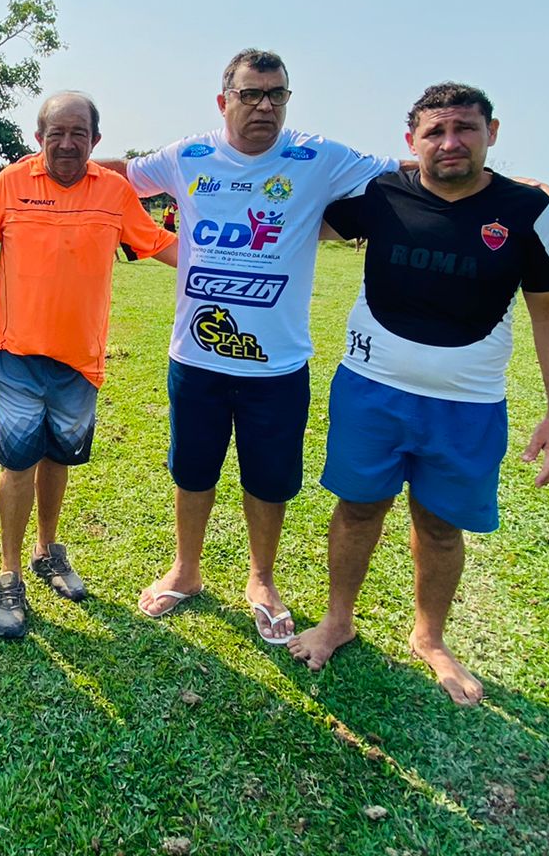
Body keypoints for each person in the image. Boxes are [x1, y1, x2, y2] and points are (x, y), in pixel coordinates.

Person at [287, 83, 549, 705]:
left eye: (465, 129)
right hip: (371, 391)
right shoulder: (380, 193)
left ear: (491, 133)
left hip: (469, 405)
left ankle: (430, 636)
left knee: (442, 527)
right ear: (411, 140)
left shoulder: (527, 209)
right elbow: (300, 217)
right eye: (435, 132)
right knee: (358, 509)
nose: (450, 143)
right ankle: (337, 620)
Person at [119, 48, 398, 645]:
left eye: (277, 94)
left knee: (269, 479)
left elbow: (409, 169)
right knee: (192, 468)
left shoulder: (318, 157)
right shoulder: (187, 156)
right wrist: (45, 160)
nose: (265, 106)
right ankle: (186, 570)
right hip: (195, 359)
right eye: (251, 94)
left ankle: (261, 580)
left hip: (277, 364)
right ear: (224, 102)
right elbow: (118, 175)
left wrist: (507, 184)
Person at [0, 92, 177, 638]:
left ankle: (47, 550)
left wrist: (234, 263)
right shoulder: (9, 184)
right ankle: (9, 575)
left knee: (58, 457)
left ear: (95, 140)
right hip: (16, 354)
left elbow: (159, 244)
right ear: (38, 137)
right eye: (56, 133)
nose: (67, 144)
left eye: (78, 134)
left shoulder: (114, 191)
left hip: (81, 361)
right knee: (17, 463)